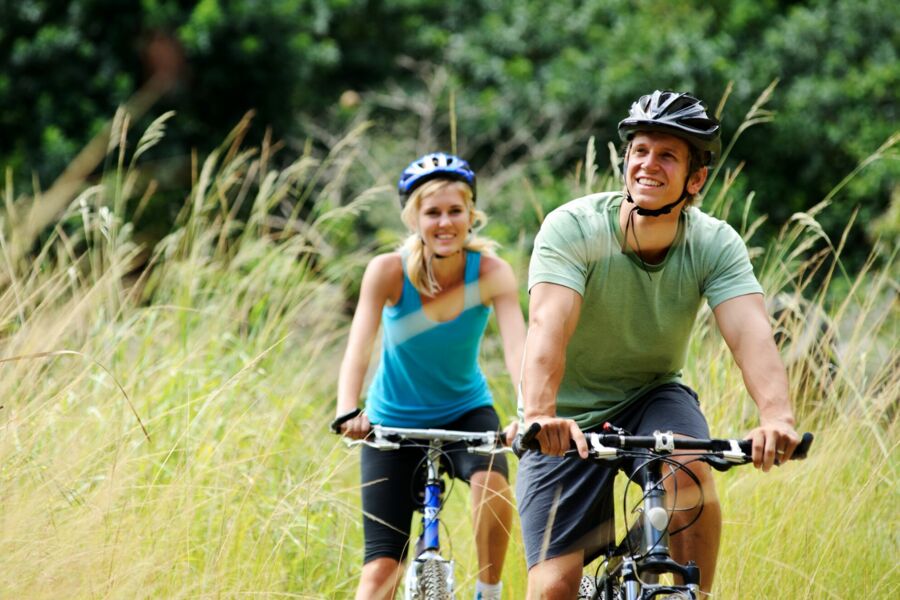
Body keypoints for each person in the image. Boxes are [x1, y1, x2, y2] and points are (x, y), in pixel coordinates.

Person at [516, 90, 801, 598]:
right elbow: (547, 326)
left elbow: (750, 332)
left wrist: (777, 418)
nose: (648, 164)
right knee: (552, 588)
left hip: (652, 395)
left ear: (695, 179)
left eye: (667, 155)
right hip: (564, 416)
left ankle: (693, 594)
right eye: (640, 150)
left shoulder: (714, 243)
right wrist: (540, 412)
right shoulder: (574, 228)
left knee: (691, 470)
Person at [333, 152, 526, 600]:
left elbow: (520, 348)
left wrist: (527, 413)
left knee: (493, 485)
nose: (445, 222)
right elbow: (358, 347)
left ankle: (489, 591)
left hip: (465, 412)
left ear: (471, 215)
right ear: (414, 218)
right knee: (381, 572)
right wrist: (348, 409)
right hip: (391, 421)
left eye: (455, 211)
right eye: (432, 212)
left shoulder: (492, 273)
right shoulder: (387, 271)